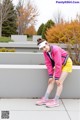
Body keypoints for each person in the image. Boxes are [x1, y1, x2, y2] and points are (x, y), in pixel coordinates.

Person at [36, 38, 72, 108]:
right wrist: (50, 76)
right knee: (51, 81)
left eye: (44, 47)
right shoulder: (45, 52)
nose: (44, 49)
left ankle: (56, 101)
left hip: (66, 63)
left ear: (47, 44)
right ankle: (45, 98)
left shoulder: (55, 49)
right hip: (59, 65)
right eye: (42, 48)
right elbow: (48, 64)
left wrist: (57, 78)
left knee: (59, 82)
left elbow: (58, 64)